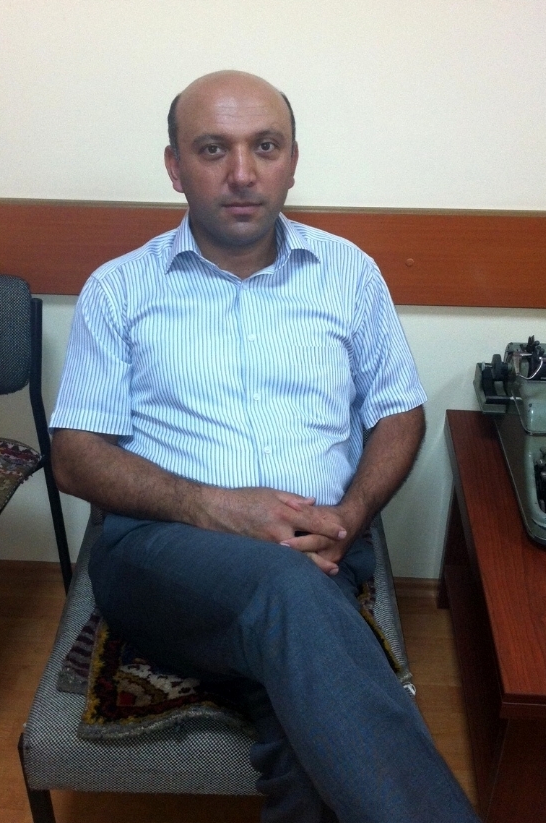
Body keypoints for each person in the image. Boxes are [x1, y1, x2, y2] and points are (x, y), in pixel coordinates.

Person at [50, 70, 480, 823]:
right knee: (286, 591)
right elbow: (76, 453)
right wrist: (218, 508)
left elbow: (398, 412)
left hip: (324, 548)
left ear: (293, 160)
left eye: (266, 146)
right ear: (175, 166)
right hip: (160, 555)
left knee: (305, 724)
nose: (243, 173)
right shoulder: (119, 289)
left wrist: (350, 513)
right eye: (213, 148)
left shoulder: (349, 273)